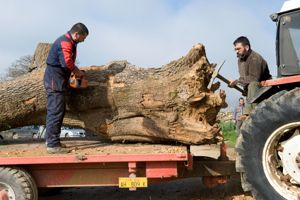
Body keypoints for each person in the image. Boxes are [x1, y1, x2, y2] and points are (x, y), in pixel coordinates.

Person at [44, 23, 89, 154]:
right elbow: (66, 62)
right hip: (54, 80)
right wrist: (78, 72)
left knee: (59, 110)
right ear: (77, 34)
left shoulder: (70, 41)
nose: (84, 40)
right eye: (83, 37)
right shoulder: (65, 42)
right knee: (55, 111)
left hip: (59, 78)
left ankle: (52, 141)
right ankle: (52, 145)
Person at [229, 36, 271, 116]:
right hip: (251, 91)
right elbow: (243, 78)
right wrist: (234, 83)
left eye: (238, 49)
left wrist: (237, 81)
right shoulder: (240, 60)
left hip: (264, 88)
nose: (236, 51)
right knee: (250, 86)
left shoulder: (255, 58)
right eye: (235, 49)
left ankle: (252, 114)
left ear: (247, 47)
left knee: (253, 84)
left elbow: (254, 78)